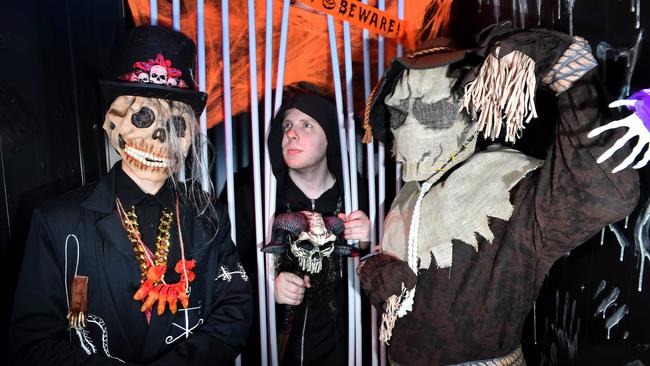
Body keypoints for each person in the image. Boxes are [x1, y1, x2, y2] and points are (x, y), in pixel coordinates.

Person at [358, 27, 640, 365]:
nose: (409, 129)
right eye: (399, 114)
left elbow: (606, 190)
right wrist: (376, 269)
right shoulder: (410, 193)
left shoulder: (512, 185)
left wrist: (569, 70)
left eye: (432, 111)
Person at [10, 25, 252, 365]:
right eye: (142, 117)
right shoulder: (58, 221)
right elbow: (33, 343)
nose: (158, 139)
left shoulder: (209, 216)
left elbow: (235, 311)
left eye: (175, 126)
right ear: (113, 121)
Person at [234, 88, 371, 365]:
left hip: (344, 350)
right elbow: (226, 268)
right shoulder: (254, 195)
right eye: (287, 125)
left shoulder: (359, 196)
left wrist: (370, 242)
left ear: (329, 135)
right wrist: (267, 285)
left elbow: (388, 278)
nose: (291, 134)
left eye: (306, 125)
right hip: (272, 350)